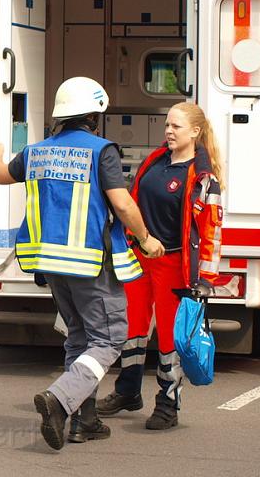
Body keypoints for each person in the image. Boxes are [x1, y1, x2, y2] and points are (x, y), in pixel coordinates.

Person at [0, 77, 164, 451]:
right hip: (90, 263)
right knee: (109, 339)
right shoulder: (101, 151)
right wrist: (146, 239)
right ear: (95, 115)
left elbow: (0, 176)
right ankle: (60, 399)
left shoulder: (36, 151)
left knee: (79, 338)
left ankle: (85, 420)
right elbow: (123, 204)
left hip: (51, 265)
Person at [97, 101, 225, 430]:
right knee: (132, 327)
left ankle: (168, 404)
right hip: (139, 258)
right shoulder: (156, 161)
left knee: (169, 338)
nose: (168, 131)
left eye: (176, 127)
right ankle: (127, 391)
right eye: (167, 125)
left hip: (173, 264)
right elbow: (133, 203)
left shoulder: (203, 177)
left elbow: (211, 232)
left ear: (195, 132)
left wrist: (205, 279)